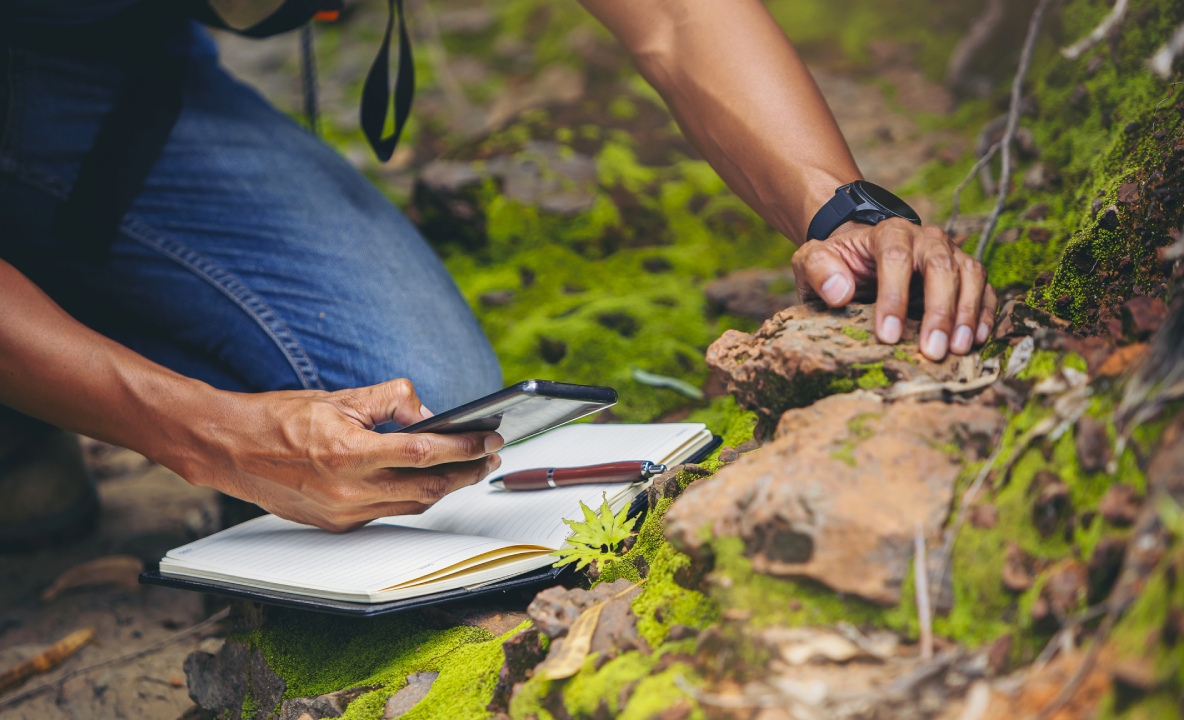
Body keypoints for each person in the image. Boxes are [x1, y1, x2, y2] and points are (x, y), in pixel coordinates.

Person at [0, 0, 996, 544]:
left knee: (425, 429)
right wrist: (203, 434)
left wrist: (842, 208)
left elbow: (678, 16)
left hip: (113, 83)